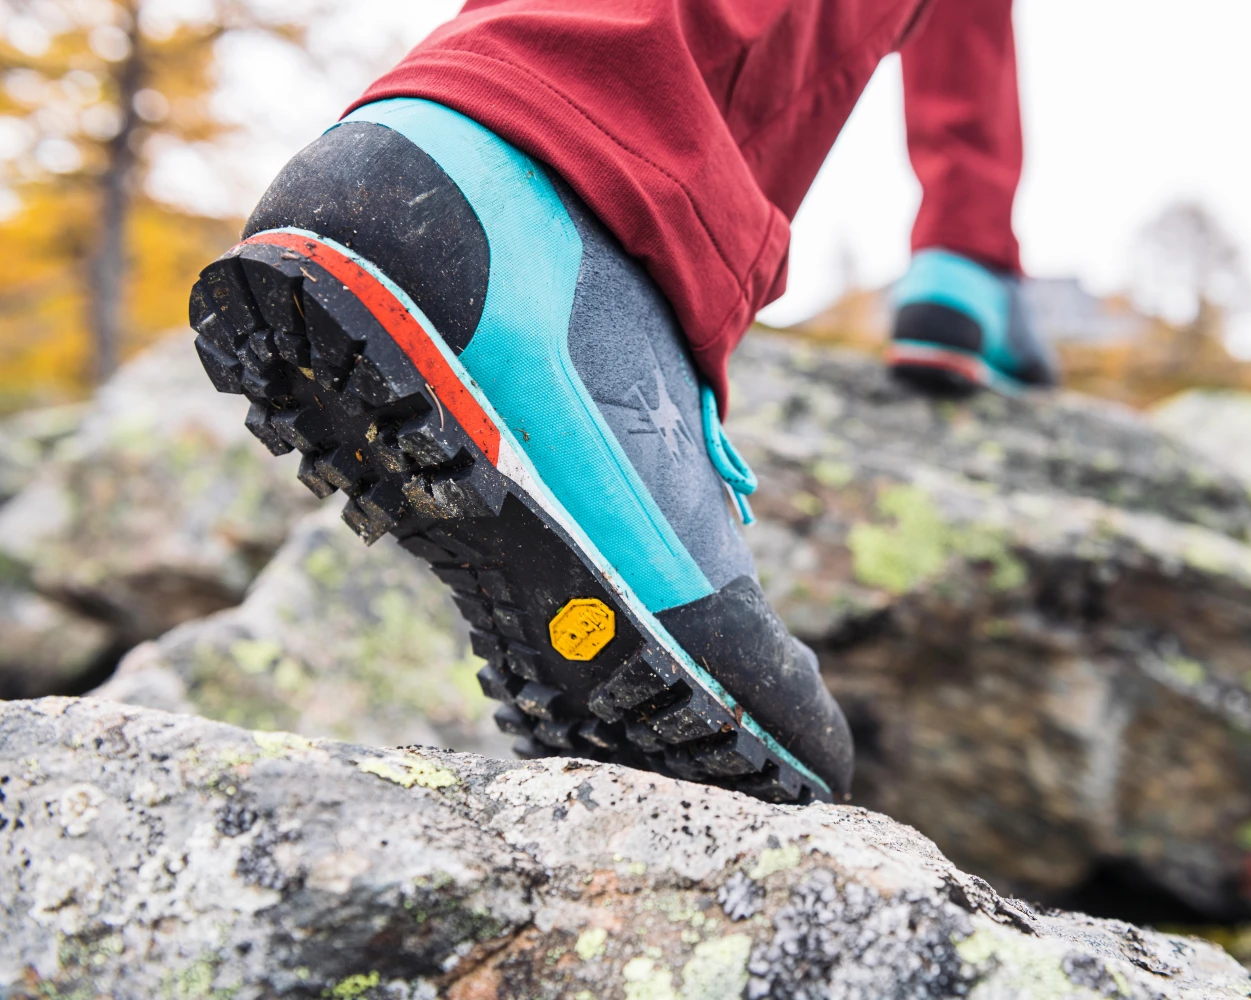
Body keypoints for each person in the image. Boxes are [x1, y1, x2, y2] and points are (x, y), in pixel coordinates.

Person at [187, 0, 1054, 805]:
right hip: (549, 144)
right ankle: (572, 124)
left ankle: (970, 253)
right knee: (588, 99)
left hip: (406, 143)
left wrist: (973, 227)